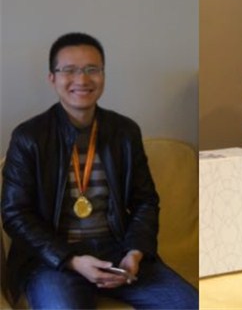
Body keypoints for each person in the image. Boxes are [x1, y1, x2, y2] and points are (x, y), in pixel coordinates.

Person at [1, 33, 198, 309]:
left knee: (189, 304)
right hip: (52, 259)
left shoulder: (125, 132)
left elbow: (145, 201)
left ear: (103, 75)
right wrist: (71, 260)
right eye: (69, 70)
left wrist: (135, 252)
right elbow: (15, 214)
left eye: (92, 69)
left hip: (116, 251)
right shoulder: (29, 137)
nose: (82, 80)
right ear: (52, 78)